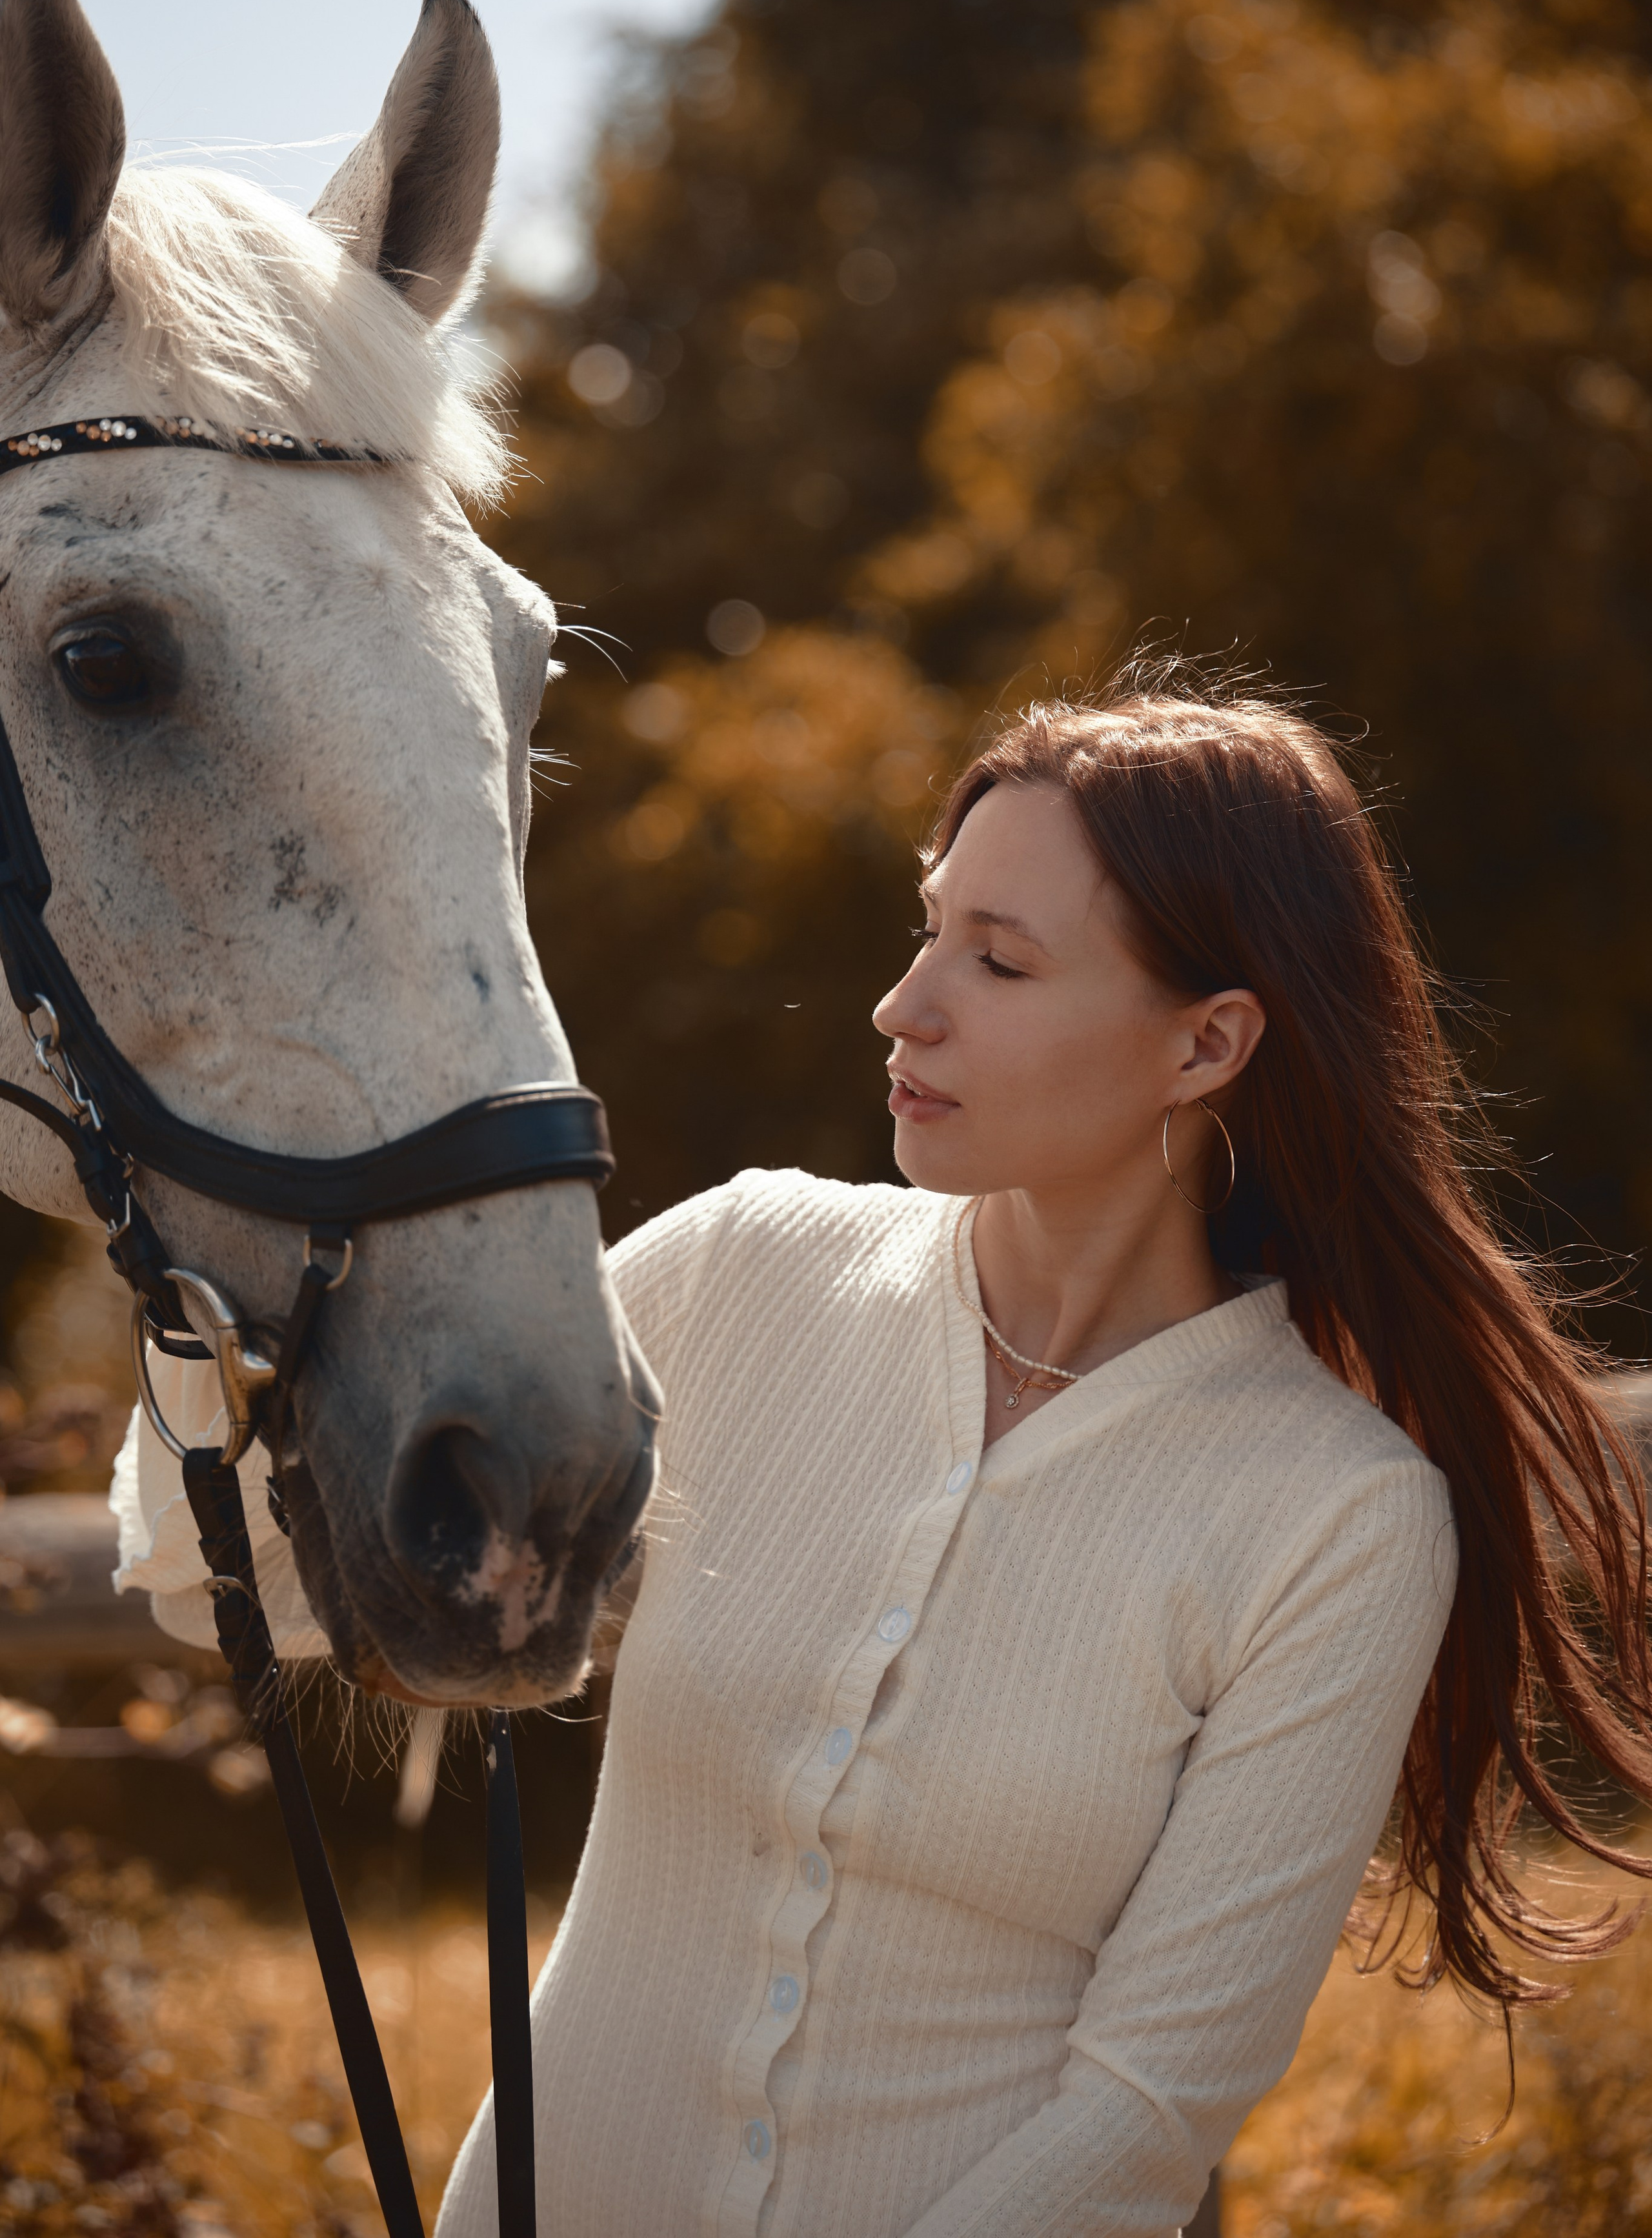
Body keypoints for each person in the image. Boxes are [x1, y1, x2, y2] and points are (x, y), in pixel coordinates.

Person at [438, 668, 1652, 2238]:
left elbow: (1144, 2114)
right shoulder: (740, 1268)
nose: (904, 1004)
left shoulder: (1334, 1519)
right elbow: (241, 1568)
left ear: (1205, 1045)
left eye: (997, 962)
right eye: (927, 928)